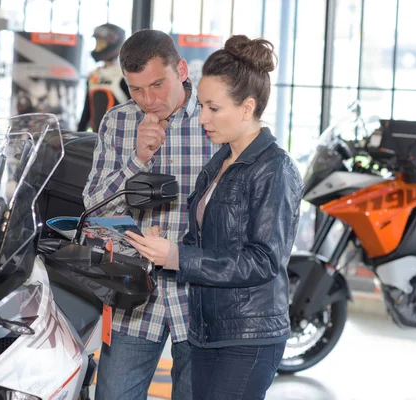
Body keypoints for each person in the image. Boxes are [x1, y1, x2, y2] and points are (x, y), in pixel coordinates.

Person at [125, 35, 304, 400]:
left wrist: (177, 257)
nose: (202, 117)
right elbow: (207, 243)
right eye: (202, 106)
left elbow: (263, 261)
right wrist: (166, 247)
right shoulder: (220, 162)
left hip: (248, 335)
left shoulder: (275, 169)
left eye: (213, 108)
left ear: (246, 107)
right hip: (207, 329)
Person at [82, 29, 220, 400]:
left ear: (182, 70)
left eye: (157, 85)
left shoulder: (215, 122)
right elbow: (94, 206)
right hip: (135, 290)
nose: (149, 100)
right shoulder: (118, 122)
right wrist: (137, 159)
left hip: (199, 292)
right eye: (137, 89)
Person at [77, 23, 131, 132]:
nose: (97, 47)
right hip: (97, 139)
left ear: (113, 44)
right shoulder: (94, 75)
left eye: (101, 42)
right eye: (97, 42)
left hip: (121, 138)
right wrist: (76, 137)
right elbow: (87, 111)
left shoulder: (124, 74)